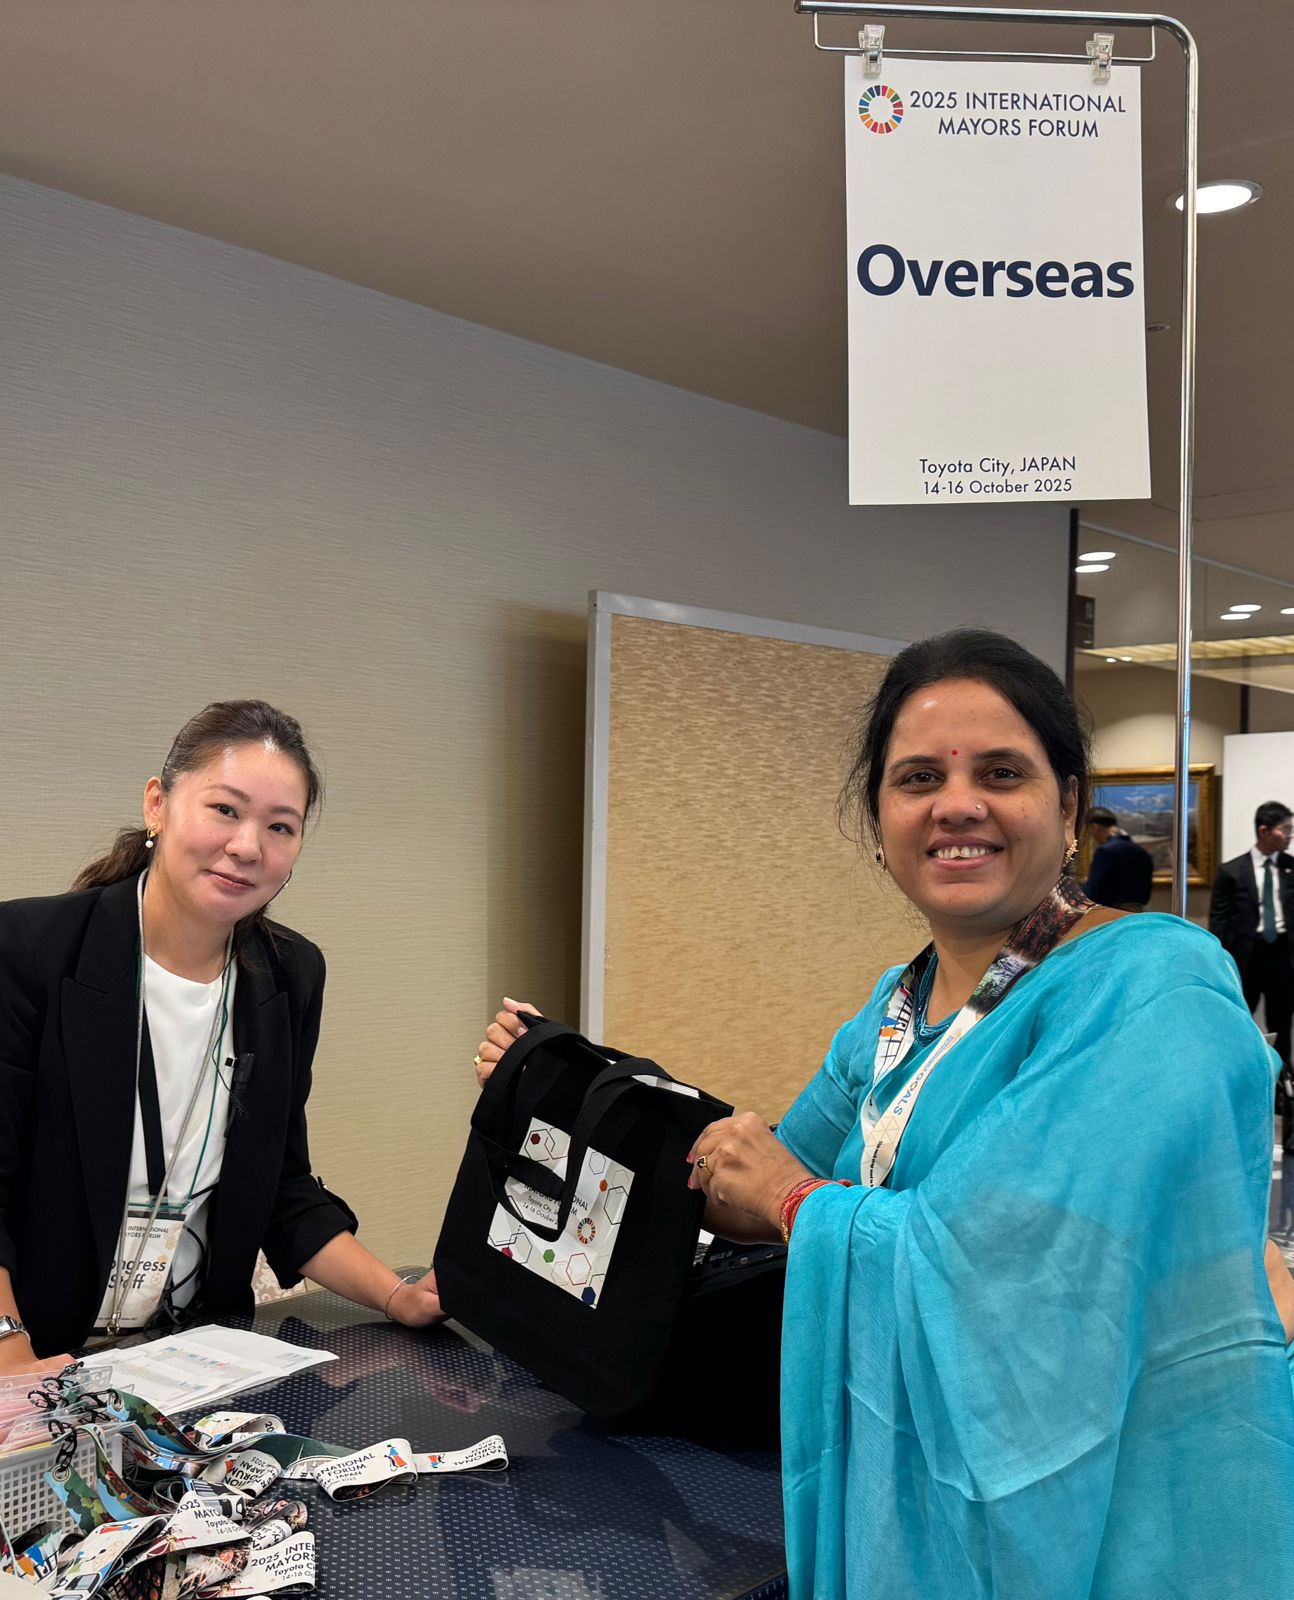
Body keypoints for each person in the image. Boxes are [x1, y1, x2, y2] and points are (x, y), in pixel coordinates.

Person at [478, 630, 1294, 1600]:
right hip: (921, 1478)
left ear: (1069, 804)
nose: (957, 803)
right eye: (918, 778)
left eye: (1001, 772)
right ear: (879, 821)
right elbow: (753, 1185)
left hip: (1111, 1506)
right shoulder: (895, 1008)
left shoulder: (1154, 986)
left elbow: (1020, 1273)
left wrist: (795, 1200)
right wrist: (564, 1086)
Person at [0, 699, 443, 1376]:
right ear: (157, 805)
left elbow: (282, 1186)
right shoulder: (29, 949)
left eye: (280, 826)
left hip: (192, 1360)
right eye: (225, 810)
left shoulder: (290, 975)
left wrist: (396, 1295)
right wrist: (10, 1352)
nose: (247, 847)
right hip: (38, 1354)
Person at [1209, 800, 1294, 1079]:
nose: (1290, 835)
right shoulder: (1232, 871)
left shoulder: (1291, 867)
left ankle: (1282, 1081)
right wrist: (1219, 960)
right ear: (1264, 830)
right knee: (1239, 1018)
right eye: (1286, 829)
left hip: (1282, 955)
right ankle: (1239, 1074)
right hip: (1245, 957)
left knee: (1282, 1021)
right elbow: (1219, 920)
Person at [1082, 803, 1154, 909]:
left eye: (1090, 831)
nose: (1092, 836)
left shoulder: (1106, 851)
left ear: (1095, 827)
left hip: (1111, 912)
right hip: (1137, 911)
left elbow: (1092, 891)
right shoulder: (1142, 852)